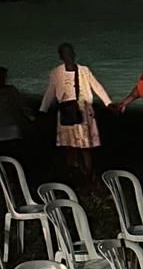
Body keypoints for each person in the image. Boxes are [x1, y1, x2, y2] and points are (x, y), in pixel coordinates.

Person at [39, 43, 112, 178]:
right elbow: (50, 91)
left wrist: (108, 103)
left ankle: (87, 174)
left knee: (85, 146)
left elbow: (96, 86)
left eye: (70, 52)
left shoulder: (84, 70)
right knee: (69, 146)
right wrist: (43, 109)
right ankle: (74, 173)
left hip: (83, 110)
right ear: (61, 56)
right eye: (65, 53)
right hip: (66, 112)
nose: (69, 55)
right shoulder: (56, 72)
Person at [0, 65, 34, 159]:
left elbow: (22, 107)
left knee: (9, 155)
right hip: (2, 130)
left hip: (7, 130)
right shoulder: (6, 91)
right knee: (10, 155)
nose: (2, 79)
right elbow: (22, 107)